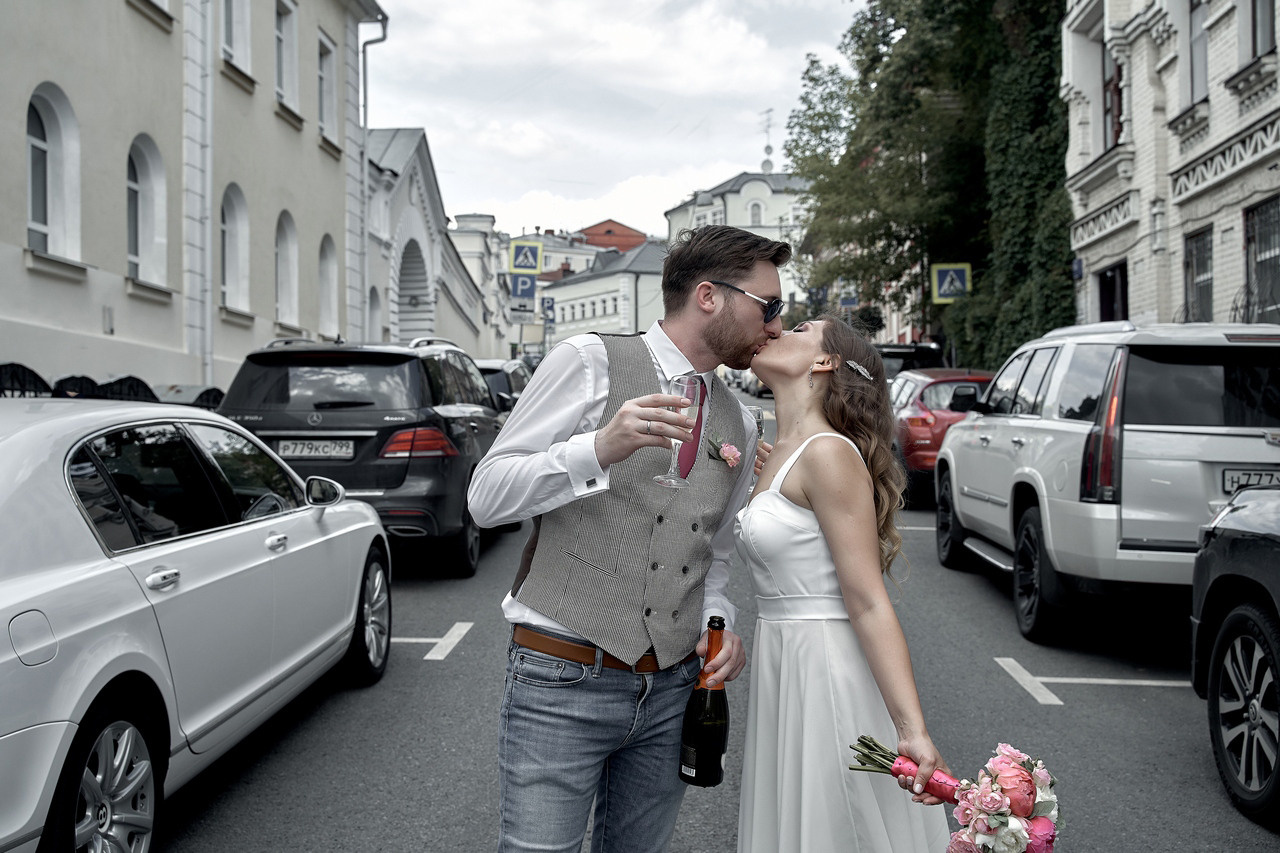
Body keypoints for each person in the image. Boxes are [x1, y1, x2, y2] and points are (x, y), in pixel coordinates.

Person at [467, 225, 792, 853]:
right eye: (768, 305)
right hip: (561, 673)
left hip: (672, 689)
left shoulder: (742, 422)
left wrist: (716, 623)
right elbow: (486, 498)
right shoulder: (588, 360)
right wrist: (596, 449)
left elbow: (714, 555)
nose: (776, 324)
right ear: (709, 296)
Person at [734, 315, 952, 852]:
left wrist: (912, 729)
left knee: (837, 828)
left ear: (825, 362)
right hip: (785, 661)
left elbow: (868, 600)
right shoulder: (780, 451)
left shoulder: (829, 453)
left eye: (800, 328)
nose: (776, 327)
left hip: (823, 666)